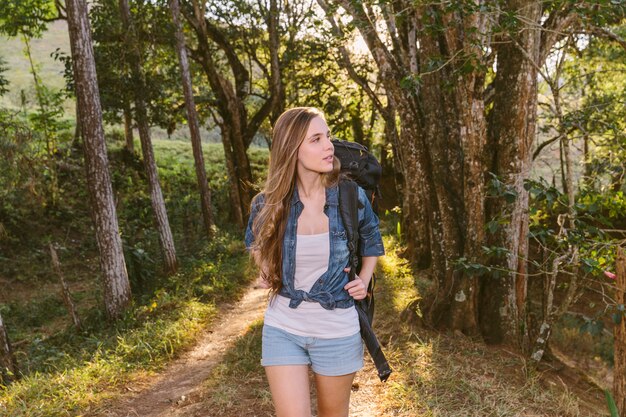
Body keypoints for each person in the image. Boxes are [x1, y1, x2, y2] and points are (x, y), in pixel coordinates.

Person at [245, 107, 385, 417]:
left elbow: (372, 239)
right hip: (284, 324)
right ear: (292, 149)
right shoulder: (267, 202)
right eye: (316, 139)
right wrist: (264, 266)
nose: (329, 146)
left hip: (337, 327)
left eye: (328, 137)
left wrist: (364, 277)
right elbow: (254, 241)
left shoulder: (350, 195)